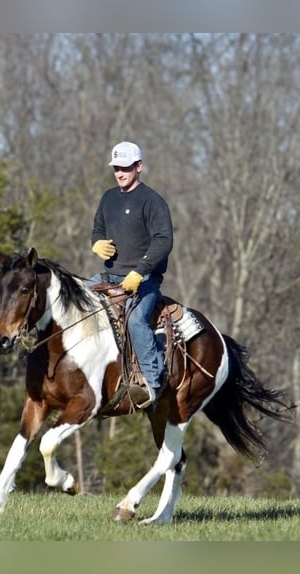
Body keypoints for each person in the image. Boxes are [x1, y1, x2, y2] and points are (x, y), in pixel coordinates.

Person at [90, 141, 173, 409]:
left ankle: (154, 382)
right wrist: (97, 243)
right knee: (78, 299)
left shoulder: (152, 201)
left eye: (125, 168)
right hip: (109, 276)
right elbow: (97, 228)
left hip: (144, 280)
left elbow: (164, 241)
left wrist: (140, 271)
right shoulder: (108, 198)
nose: (120, 173)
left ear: (139, 167)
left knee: (137, 321)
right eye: (116, 168)